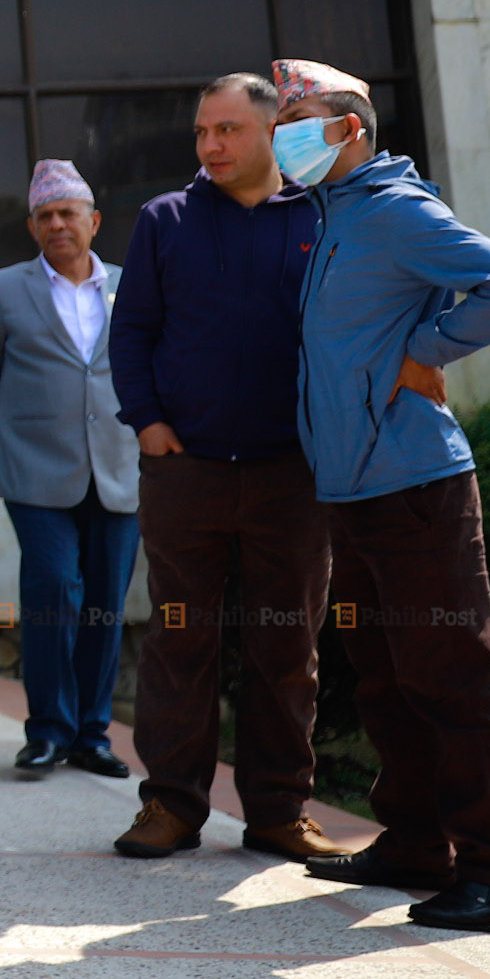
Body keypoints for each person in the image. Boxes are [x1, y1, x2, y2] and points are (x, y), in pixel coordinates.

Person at [274, 57, 490, 933]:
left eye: (301, 116)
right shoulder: (334, 215)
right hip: (353, 488)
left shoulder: (395, 211)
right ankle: (417, 843)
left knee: (451, 678)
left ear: (349, 128)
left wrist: (430, 348)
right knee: (386, 679)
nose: (287, 132)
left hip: (415, 485)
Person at [106, 73, 344, 863]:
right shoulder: (164, 220)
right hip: (187, 472)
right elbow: (132, 332)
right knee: (180, 641)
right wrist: (149, 425)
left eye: (228, 131)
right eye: (203, 132)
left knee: (286, 647)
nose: (210, 146)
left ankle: (279, 811)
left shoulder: (320, 215)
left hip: (292, 474)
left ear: (274, 133)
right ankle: (170, 806)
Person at [0, 160, 140, 781]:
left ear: (94, 220)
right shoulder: (1, 290)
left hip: (118, 469)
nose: (58, 224)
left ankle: (92, 734)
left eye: (68, 213)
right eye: (45, 216)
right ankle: (46, 731)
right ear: (33, 228)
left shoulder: (133, 284)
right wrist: (17, 435)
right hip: (35, 473)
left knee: (104, 604)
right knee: (54, 592)